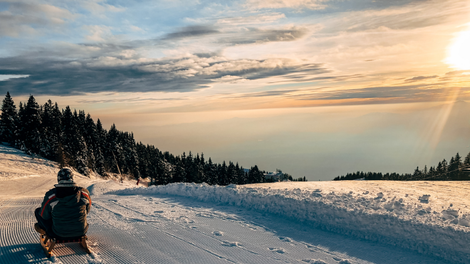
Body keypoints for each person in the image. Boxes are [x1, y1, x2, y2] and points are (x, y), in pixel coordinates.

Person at [34, 168, 92, 238]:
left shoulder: (51, 195)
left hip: (58, 233)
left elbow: (44, 216)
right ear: (72, 178)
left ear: (58, 179)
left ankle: (45, 230)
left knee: (38, 211)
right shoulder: (84, 193)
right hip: (82, 231)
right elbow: (87, 210)